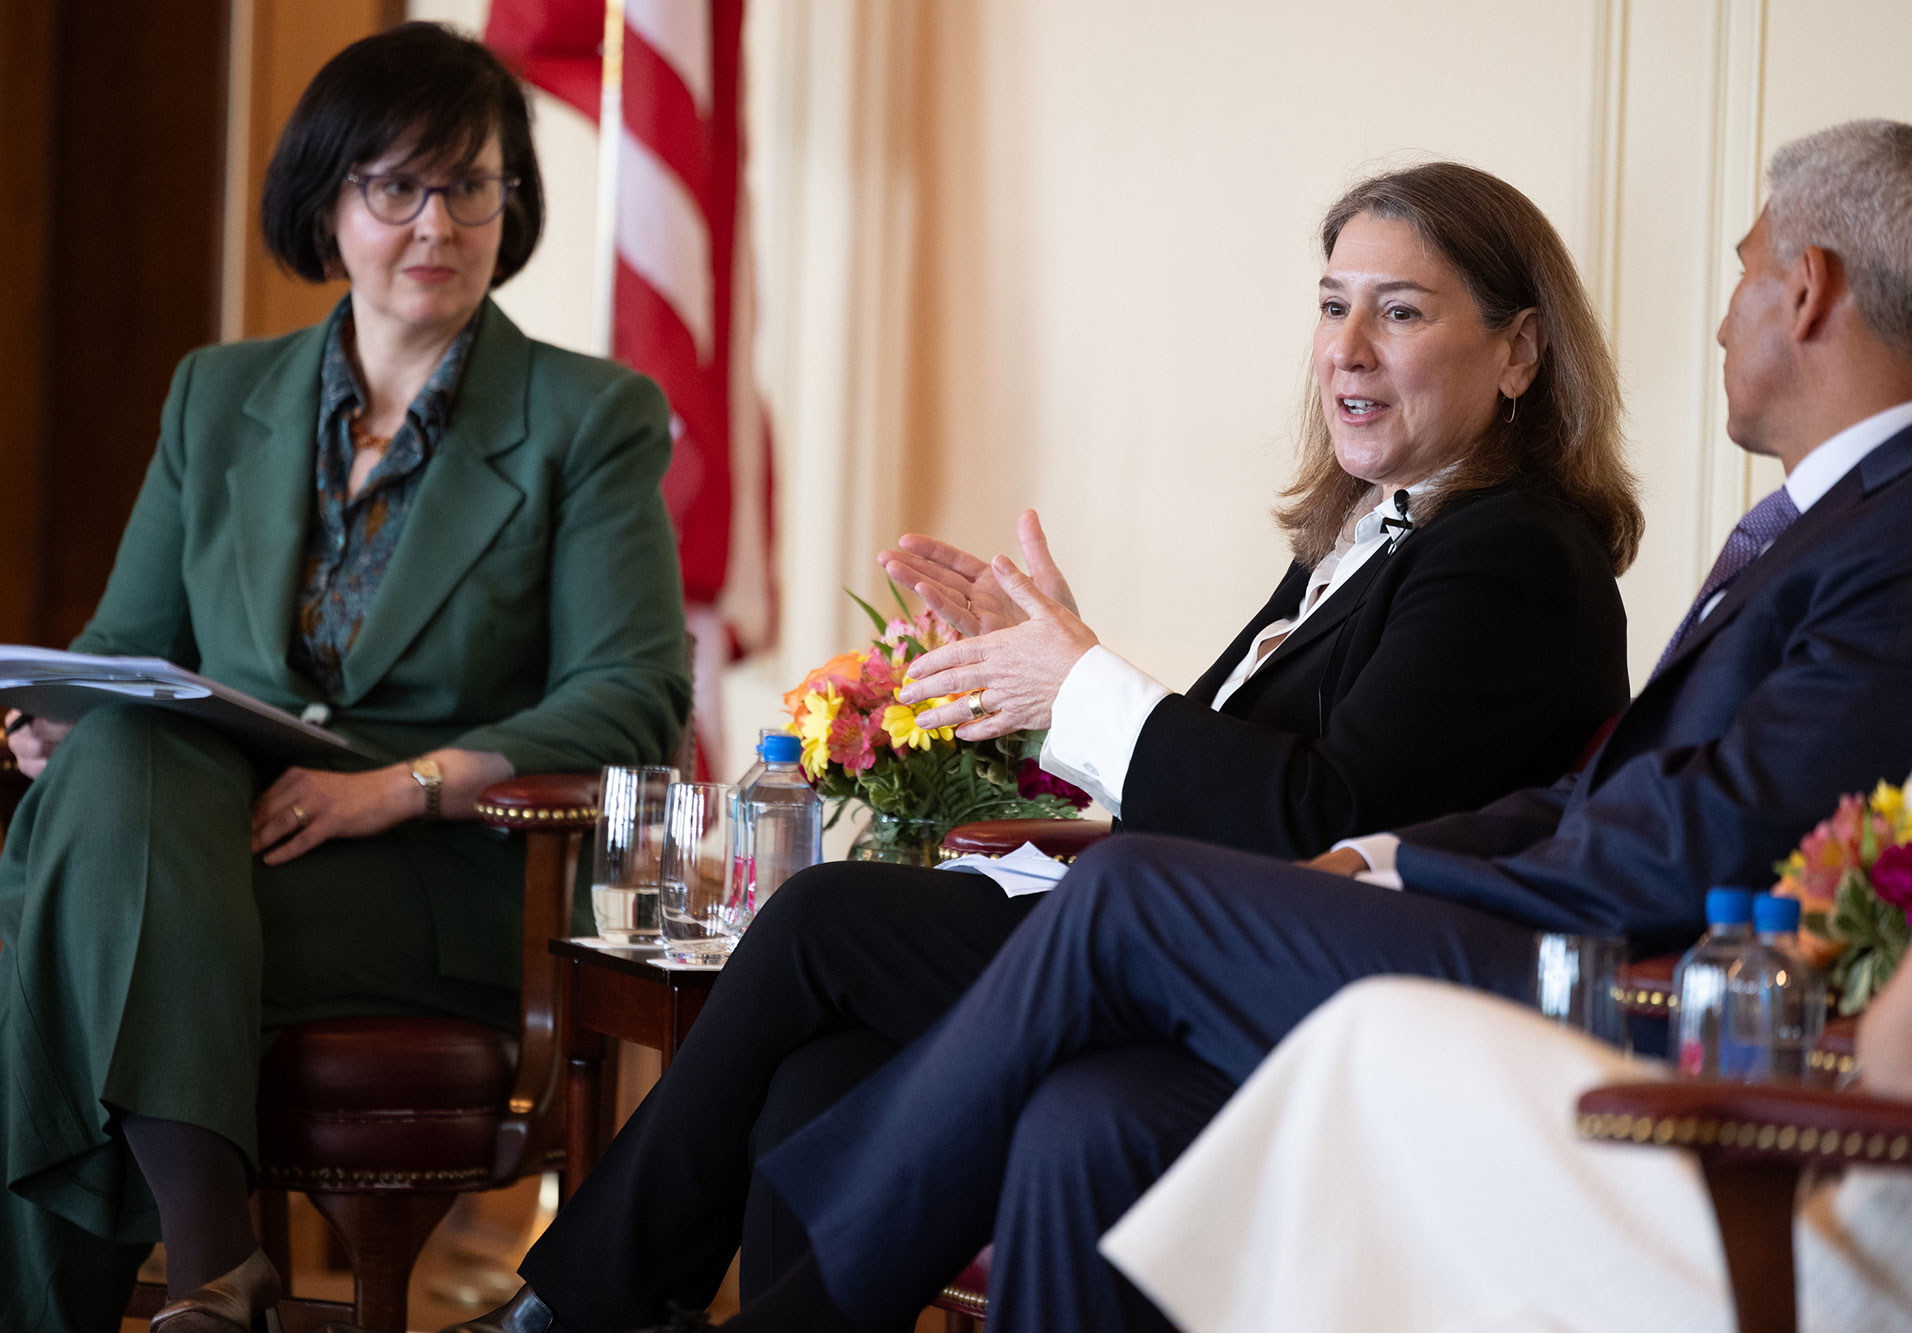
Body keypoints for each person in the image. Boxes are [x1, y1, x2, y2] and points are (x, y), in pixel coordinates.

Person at [708, 119, 1912, 1333]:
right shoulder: (1816, 523)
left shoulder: (1864, 537)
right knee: (1081, 1116)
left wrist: (1402, 862)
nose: (1718, 319)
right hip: (1512, 933)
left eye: (1742, 270)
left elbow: (1707, 834)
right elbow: (1595, 793)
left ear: (1802, 291)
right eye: (1332, 305)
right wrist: (1380, 853)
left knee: (1111, 896)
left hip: (1607, 990)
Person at [462, 161, 1641, 1333]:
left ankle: (566, 1313)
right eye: (1332, 304)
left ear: (1519, 352)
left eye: (1399, 310)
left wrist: (1081, 680)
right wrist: (1045, 675)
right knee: (807, 1090)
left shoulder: (1510, 556)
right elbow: (1227, 771)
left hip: (1287, 980)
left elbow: (1318, 815)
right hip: (1174, 928)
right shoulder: (1368, 534)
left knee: (819, 921)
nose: (1346, 347)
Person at [0, 23, 689, 1333]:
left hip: (437, 883)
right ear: (326, 206)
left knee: (75, 945)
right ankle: (223, 1276)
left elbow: (633, 698)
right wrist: (61, 718)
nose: (437, 220)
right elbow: (126, 655)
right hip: (207, 848)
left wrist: (398, 788)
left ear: (514, 204)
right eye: (397, 185)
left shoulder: (588, 418)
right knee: (114, 755)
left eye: (473, 185)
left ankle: (193, 1282)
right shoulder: (218, 398)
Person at [1099, 971, 1912, 1332]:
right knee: (1091, 1112)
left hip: (1822, 1258)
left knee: (1376, 1035)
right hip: (1806, 1180)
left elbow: (1890, 1062)